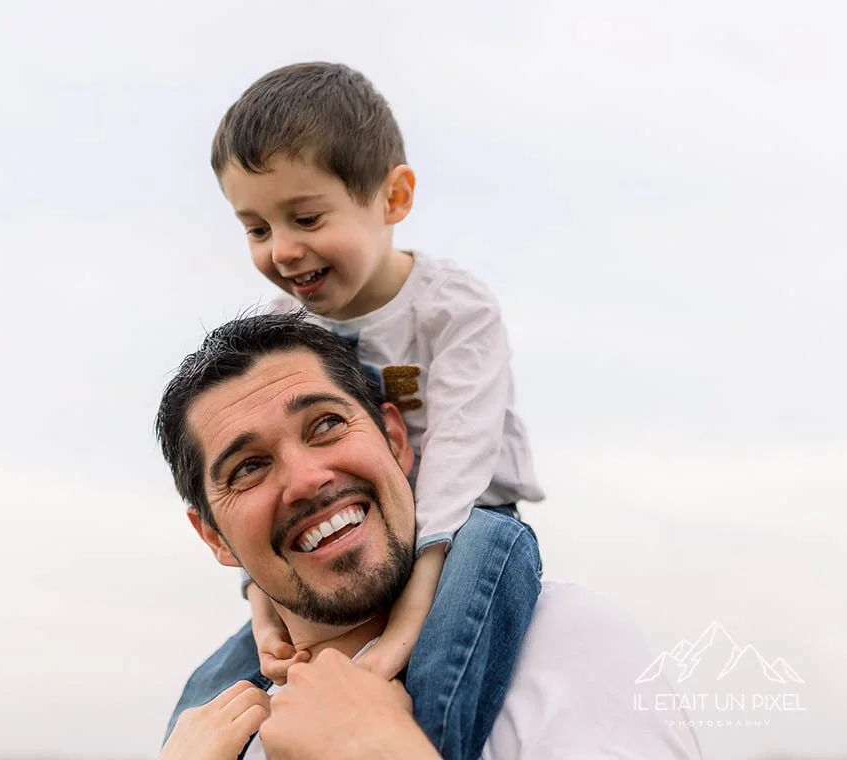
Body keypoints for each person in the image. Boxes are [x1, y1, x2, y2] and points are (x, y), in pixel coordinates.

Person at [154, 312, 702, 759]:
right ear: (214, 538)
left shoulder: (563, 641)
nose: (305, 480)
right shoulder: (212, 740)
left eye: (325, 424)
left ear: (396, 440)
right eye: (248, 467)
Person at [208, 60, 544, 742]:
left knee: (448, 635)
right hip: (354, 527)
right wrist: (263, 607)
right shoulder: (287, 331)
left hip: (470, 515)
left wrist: (402, 632)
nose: (284, 249)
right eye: (257, 228)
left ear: (393, 200)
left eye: (305, 217)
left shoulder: (454, 310)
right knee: (220, 685)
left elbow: (458, 457)